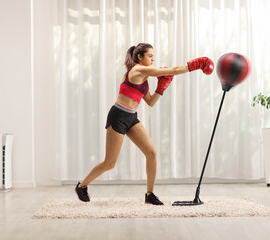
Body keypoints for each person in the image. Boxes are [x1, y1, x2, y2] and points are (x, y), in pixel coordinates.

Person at [75, 43, 214, 205]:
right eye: (150, 56)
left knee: (151, 153)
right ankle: (82, 186)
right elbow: (173, 70)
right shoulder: (137, 70)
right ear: (140, 57)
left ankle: (149, 194)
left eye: (153, 56)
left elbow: (150, 102)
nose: (153, 59)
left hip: (131, 117)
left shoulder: (144, 77)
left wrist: (162, 87)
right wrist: (196, 65)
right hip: (118, 116)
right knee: (110, 163)